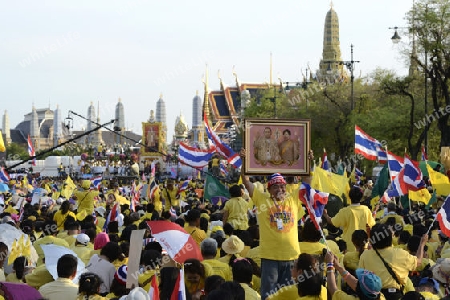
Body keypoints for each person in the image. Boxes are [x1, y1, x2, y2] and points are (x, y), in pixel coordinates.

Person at [240, 163, 305, 300]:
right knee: (269, 295)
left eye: (282, 186)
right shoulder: (262, 200)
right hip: (270, 257)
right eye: (275, 187)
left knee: (289, 295)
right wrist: (245, 159)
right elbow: (246, 180)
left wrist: (308, 163)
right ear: (269, 190)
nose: (280, 189)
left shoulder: (292, 199)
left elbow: (307, 182)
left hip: (291, 256)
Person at [359, 223, 428, 300]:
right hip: (395, 295)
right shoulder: (400, 253)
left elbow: (361, 279)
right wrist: (422, 244)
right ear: (390, 238)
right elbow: (418, 262)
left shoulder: (365, 255)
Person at [323, 187, 376, 252]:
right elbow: (372, 225)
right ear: (361, 197)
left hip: (348, 247)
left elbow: (333, 222)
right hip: (363, 246)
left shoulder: (345, 211)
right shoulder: (366, 210)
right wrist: (374, 214)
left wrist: (325, 215)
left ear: (349, 197)